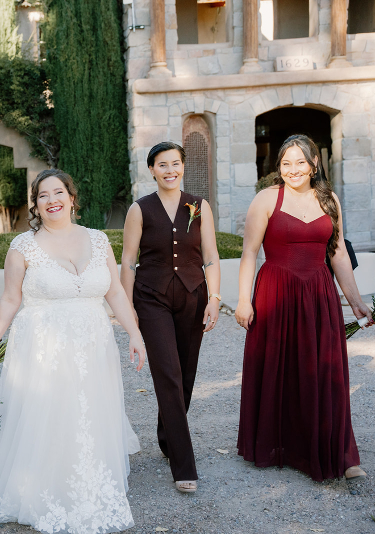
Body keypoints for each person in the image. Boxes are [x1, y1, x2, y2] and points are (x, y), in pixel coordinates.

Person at [0, 169, 146, 533]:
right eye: (43, 195)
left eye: (59, 192)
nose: (52, 200)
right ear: (36, 204)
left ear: (72, 197)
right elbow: (10, 299)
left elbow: (115, 292)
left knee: (88, 412)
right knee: (51, 414)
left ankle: (87, 473)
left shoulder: (99, 240)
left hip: (93, 345)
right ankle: (42, 483)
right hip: (43, 349)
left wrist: (134, 332)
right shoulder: (23, 247)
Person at [235, 134, 372, 482]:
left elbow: (337, 252)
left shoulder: (329, 200)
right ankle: (280, 445)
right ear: (278, 168)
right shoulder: (266, 199)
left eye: (300, 162)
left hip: (319, 293)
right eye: (286, 163)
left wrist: (356, 302)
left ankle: (341, 452)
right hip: (276, 292)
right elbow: (250, 251)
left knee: (325, 371)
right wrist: (243, 300)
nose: (293, 169)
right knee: (280, 368)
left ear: (314, 165)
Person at [120, 141, 221, 494]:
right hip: (151, 300)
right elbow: (129, 261)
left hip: (194, 297)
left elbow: (210, 257)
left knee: (187, 374)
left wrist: (215, 298)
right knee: (167, 373)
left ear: (182, 167)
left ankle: (167, 436)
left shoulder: (199, 206)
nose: (170, 170)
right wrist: (127, 307)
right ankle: (183, 463)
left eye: (175, 163)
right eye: (162, 165)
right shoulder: (139, 209)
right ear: (151, 169)